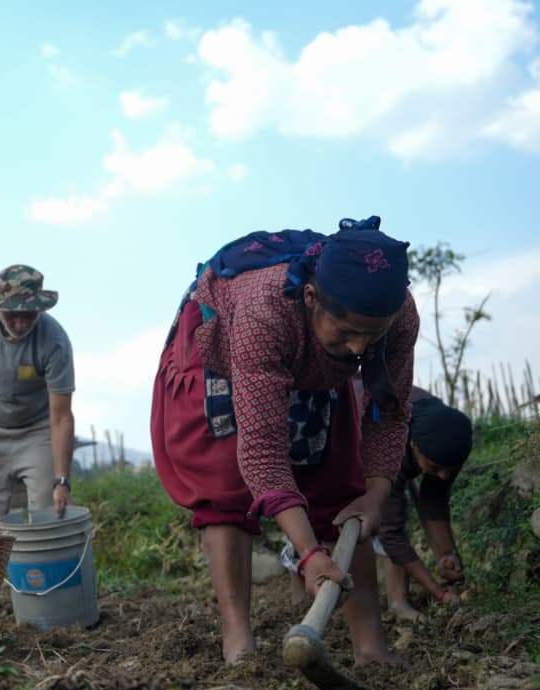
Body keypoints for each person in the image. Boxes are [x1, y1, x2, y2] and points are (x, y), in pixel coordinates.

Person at [150, 217, 417, 664]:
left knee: (339, 481)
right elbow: (262, 449)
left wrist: (376, 494)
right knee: (226, 484)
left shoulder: (398, 313)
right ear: (311, 298)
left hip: (301, 351)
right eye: (347, 331)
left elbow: (388, 410)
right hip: (220, 339)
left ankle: (370, 645)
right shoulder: (262, 312)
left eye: (372, 336)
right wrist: (309, 553)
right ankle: (239, 642)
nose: (358, 349)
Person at [0, 264, 76, 519]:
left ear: (40, 309)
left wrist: (61, 481)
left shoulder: (55, 341)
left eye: (29, 315)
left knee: (50, 514)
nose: (20, 323)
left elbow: (61, 417)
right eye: (11, 315)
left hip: (38, 433)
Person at [374, 387, 473, 620]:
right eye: (436, 466)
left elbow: (434, 503)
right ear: (413, 445)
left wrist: (447, 556)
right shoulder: (389, 452)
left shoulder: (447, 439)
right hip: (356, 435)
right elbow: (391, 534)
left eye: (449, 469)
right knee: (385, 519)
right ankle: (394, 603)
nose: (443, 476)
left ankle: (399, 601)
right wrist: (438, 593)